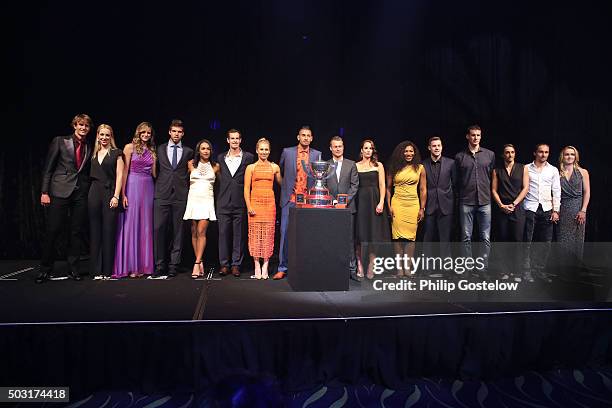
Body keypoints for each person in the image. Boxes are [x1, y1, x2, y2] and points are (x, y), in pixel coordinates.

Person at [37, 113, 93, 283]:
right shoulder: (60, 141)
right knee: (53, 230)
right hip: (60, 190)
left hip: (79, 193)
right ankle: (45, 269)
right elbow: (48, 168)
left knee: (76, 232)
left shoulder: (89, 146)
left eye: (86, 126)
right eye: (80, 125)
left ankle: (74, 269)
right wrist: (44, 192)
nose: (83, 128)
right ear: (74, 125)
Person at [276, 126, 321, 280]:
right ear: (298, 137)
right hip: (290, 199)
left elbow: (318, 176)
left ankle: (304, 266)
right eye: (303, 135)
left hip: (308, 200)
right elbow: (281, 172)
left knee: (306, 234)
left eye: (308, 135)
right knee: (285, 233)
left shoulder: (317, 154)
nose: (306, 138)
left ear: (312, 138)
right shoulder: (287, 152)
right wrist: (287, 189)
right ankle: (282, 267)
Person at [113, 122, 157, 278]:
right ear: (138, 133)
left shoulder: (152, 151)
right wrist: (123, 194)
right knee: (131, 224)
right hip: (133, 185)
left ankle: (143, 266)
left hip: (148, 188)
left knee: (145, 225)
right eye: (143, 132)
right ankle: (131, 265)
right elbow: (124, 172)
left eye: (149, 133)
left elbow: (154, 174)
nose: (146, 135)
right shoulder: (128, 147)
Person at [151, 119, 194, 279]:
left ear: (182, 133)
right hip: (162, 194)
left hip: (180, 196)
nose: (176, 134)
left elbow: (191, 172)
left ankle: (173, 265)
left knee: (178, 232)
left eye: (179, 132)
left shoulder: (189, 151)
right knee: (158, 229)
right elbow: (155, 171)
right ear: (169, 132)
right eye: (174, 131)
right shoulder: (160, 149)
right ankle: (160, 265)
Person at [454, 124, 495, 276]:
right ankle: (467, 268)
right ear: (467, 136)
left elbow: (491, 176)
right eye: (473, 135)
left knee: (485, 237)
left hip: (485, 201)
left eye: (478, 135)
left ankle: (482, 268)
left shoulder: (489, 155)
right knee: (466, 237)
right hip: (466, 201)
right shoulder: (459, 157)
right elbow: (456, 180)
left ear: (481, 136)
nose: (475, 138)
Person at [216, 129, 255, 278]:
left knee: (239, 235)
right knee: (223, 234)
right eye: (232, 138)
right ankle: (224, 264)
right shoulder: (220, 158)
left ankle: (236, 265)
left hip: (240, 202)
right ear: (227, 140)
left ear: (240, 140)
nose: (234, 141)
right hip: (223, 201)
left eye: (237, 138)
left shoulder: (248, 157)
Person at [88, 124, 124, 280]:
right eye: (101, 135)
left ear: (111, 137)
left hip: (109, 192)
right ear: (97, 135)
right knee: (95, 232)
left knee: (108, 231)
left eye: (107, 135)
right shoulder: (93, 153)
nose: (104, 138)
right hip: (94, 192)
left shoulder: (117, 153)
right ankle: (96, 271)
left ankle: (107, 271)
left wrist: (116, 196)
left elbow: (120, 175)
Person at [387, 141, 427, 277]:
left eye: (411, 151)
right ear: (401, 153)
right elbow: (387, 188)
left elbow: (423, 189)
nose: (409, 153)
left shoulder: (420, 168)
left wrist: (422, 208)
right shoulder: (393, 167)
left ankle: (408, 268)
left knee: (411, 238)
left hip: (413, 205)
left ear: (414, 153)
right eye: (406, 151)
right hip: (397, 203)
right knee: (397, 237)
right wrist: (389, 205)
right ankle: (399, 269)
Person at [244, 138, 282, 279]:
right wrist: (249, 206)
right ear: (257, 150)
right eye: (261, 149)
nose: (264, 152)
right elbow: (246, 188)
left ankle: (265, 264)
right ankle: (256, 265)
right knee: (255, 235)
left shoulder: (274, 167)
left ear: (269, 151)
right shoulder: (251, 168)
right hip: (255, 204)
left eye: (266, 149)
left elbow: (282, 184)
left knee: (268, 234)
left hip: (269, 205)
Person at [522, 143, 561, 283]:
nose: (543, 154)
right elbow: (522, 188)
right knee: (528, 241)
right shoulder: (526, 168)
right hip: (530, 207)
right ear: (535, 153)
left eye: (546, 152)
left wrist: (556, 210)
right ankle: (526, 271)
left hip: (546, 209)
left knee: (545, 242)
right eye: (541, 152)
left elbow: (556, 190)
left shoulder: (553, 170)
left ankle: (539, 270)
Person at [491, 144, 529, 281]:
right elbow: (494, 190)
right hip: (501, 208)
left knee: (517, 240)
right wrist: (501, 205)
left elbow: (525, 188)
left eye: (512, 152)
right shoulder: (497, 170)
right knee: (502, 240)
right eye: (507, 152)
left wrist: (514, 204)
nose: (510, 155)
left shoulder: (523, 168)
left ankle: (517, 272)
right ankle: (503, 271)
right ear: (503, 155)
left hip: (517, 208)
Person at [184, 139, 220, 278]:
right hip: (193, 199)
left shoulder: (216, 166)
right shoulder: (191, 164)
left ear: (211, 151)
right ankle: (200, 260)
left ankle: (197, 262)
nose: (206, 151)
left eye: (208, 149)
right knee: (194, 232)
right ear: (198, 150)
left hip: (207, 200)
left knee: (201, 231)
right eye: (203, 148)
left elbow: (221, 186)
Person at [355, 139, 391, 279]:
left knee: (374, 235)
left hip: (375, 201)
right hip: (361, 202)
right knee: (360, 234)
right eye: (366, 148)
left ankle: (371, 264)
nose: (368, 150)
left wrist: (381, 202)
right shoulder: (355, 165)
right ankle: (359, 265)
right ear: (362, 150)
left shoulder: (379, 165)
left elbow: (382, 185)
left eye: (371, 148)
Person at [326, 136, 359, 280]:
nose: (338, 149)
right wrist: (334, 202)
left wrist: (344, 202)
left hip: (348, 208)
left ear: (343, 147)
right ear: (331, 148)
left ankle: (352, 269)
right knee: (332, 238)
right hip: (331, 208)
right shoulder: (325, 165)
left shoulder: (351, 164)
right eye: (335, 146)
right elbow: (324, 186)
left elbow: (354, 185)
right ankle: (333, 267)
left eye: (340, 146)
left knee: (349, 239)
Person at [422, 136, 455, 276]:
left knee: (445, 239)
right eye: (434, 146)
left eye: (439, 145)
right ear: (429, 148)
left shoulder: (451, 163)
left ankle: (446, 269)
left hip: (446, 205)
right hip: (429, 205)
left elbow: (456, 183)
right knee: (427, 238)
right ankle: (426, 269)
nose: (437, 148)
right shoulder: (422, 164)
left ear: (442, 147)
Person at [557, 145, 590, 261]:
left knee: (577, 241)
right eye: (567, 154)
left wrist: (583, 210)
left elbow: (587, 193)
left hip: (578, 211)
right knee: (563, 241)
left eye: (572, 154)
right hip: (563, 210)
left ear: (576, 156)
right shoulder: (557, 173)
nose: (569, 156)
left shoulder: (582, 172)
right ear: (563, 156)